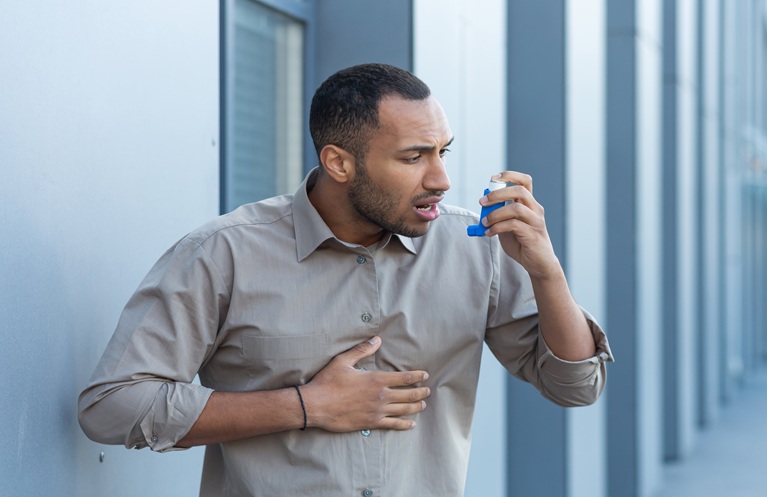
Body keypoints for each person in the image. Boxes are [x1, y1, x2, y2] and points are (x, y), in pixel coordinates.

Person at [78, 63, 613, 497]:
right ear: (338, 162)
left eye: (442, 151)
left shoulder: (477, 250)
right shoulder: (225, 254)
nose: (441, 179)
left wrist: (545, 269)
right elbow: (112, 406)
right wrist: (306, 406)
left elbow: (575, 386)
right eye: (413, 157)